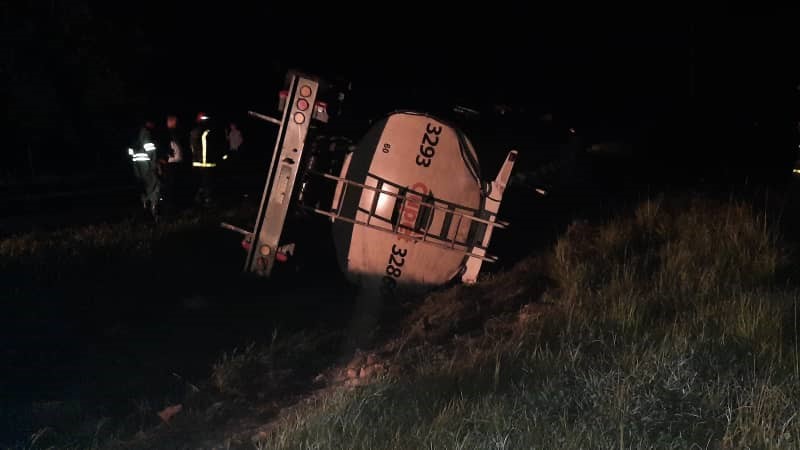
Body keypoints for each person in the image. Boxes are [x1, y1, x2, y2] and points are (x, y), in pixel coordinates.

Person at [128, 119, 161, 219]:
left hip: (136, 166)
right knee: (154, 186)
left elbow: (130, 152)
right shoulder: (146, 134)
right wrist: (155, 165)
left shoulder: (134, 134)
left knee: (143, 188)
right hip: (146, 165)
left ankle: (144, 207)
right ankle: (154, 209)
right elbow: (151, 151)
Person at [190, 112, 223, 206]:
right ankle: (208, 200)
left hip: (196, 162)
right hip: (206, 162)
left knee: (200, 182)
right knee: (208, 182)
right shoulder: (208, 132)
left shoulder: (193, 132)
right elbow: (212, 147)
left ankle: (199, 199)